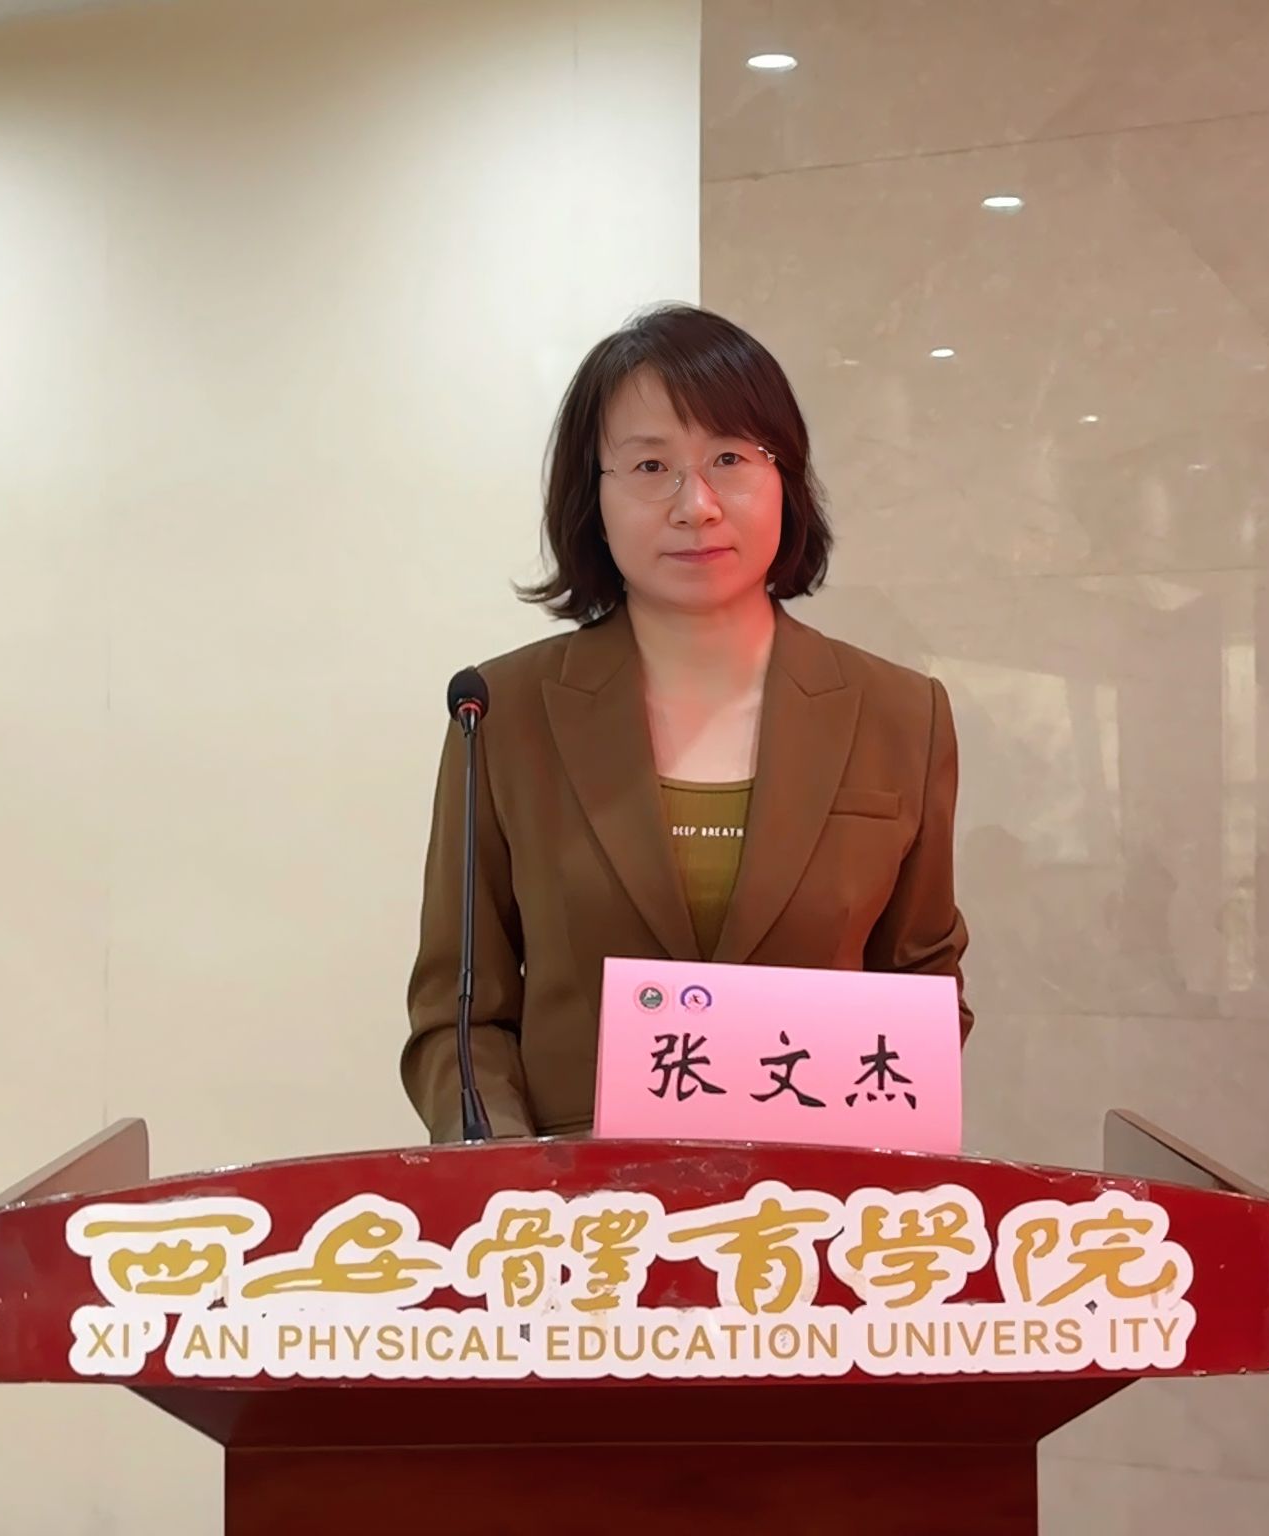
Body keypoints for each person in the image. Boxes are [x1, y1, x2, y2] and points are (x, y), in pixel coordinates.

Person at [402, 304, 971, 1142]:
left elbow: (923, 986)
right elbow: (460, 1017)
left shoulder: (900, 714)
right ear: (592, 497)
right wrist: (515, 1177)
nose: (695, 504)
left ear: (787, 478)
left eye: (730, 459)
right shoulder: (500, 712)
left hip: (813, 1198)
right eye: (649, 466)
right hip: (577, 1206)